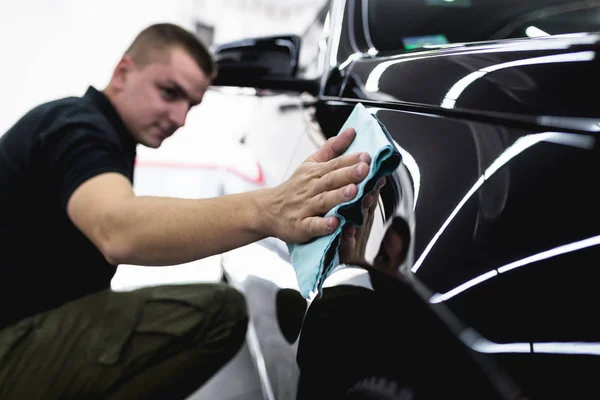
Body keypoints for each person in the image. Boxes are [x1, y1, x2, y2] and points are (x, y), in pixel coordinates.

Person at [0, 22, 373, 399]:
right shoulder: (77, 127)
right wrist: (269, 209)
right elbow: (118, 230)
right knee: (219, 312)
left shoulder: (95, 131)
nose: (180, 118)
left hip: (26, 329)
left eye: (190, 104)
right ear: (122, 72)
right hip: (9, 345)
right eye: (169, 92)